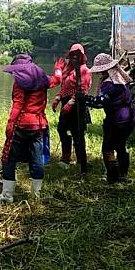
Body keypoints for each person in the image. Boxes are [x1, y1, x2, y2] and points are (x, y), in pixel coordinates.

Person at [0, 54, 64, 202]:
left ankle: (7, 196)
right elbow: (56, 80)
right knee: (36, 158)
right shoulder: (42, 79)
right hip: (38, 125)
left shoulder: (19, 84)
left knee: (9, 158)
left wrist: (9, 126)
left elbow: (17, 106)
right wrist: (58, 69)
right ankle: (36, 194)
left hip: (20, 124)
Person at [84, 53, 135, 184]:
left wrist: (85, 99)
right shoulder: (120, 79)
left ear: (106, 70)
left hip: (118, 119)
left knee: (108, 148)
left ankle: (113, 178)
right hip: (129, 117)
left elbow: (100, 102)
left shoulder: (111, 84)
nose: (98, 74)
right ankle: (122, 176)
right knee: (120, 146)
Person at [51, 43, 92, 175]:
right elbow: (63, 86)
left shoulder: (85, 70)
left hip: (78, 105)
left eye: (77, 55)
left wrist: (71, 102)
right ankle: (66, 156)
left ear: (81, 57)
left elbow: (83, 89)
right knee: (62, 129)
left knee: (77, 132)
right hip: (65, 102)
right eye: (72, 55)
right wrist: (57, 98)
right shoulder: (68, 69)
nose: (74, 58)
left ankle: (81, 159)